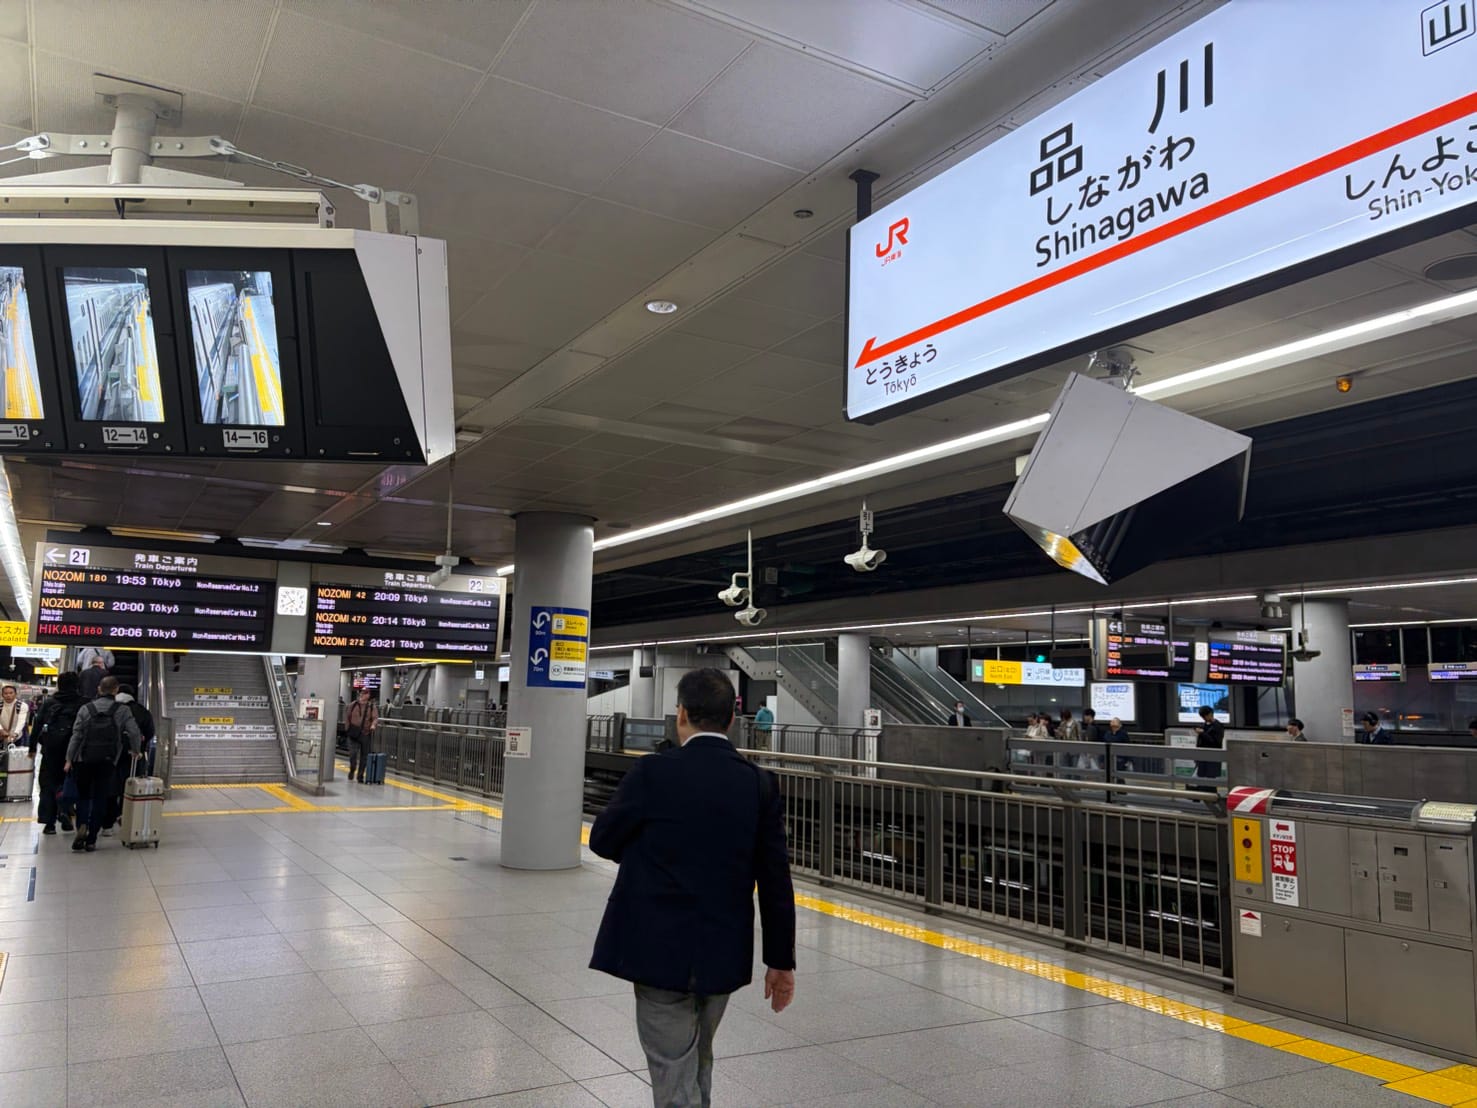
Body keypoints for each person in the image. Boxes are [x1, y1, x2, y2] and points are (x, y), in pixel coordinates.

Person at [589, 668, 796, 1108]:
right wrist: (780, 962)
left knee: (673, 1069)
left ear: (680, 713)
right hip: (722, 951)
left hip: (656, 948)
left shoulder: (652, 773)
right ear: (732, 719)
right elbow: (775, 879)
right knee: (697, 1058)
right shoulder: (758, 783)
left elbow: (603, 840)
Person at [65, 676, 142, 852]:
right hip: (108, 760)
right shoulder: (122, 710)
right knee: (101, 797)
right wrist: (136, 750)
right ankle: (92, 838)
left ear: (99, 689)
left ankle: (82, 825)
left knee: (83, 796)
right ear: (116, 690)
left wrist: (69, 758)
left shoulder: (86, 708)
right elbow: (134, 732)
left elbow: (76, 735)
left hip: (83, 759)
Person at [29, 672, 82, 835]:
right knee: (70, 784)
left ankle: (49, 823)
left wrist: (32, 748)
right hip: (74, 752)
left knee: (48, 785)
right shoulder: (83, 703)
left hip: (51, 750)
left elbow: (37, 725)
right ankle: (65, 810)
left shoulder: (49, 703)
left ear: (59, 684)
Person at [104, 684, 156, 833]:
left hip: (110, 754)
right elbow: (150, 732)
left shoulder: (108, 707)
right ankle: (124, 816)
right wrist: (140, 747)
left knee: (109, 787)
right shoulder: (141, 711)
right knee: (129, 786)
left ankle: (107, 824)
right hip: (133, 755)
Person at [344, 689, 378, 782]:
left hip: (365, 733)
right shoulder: (352, 705)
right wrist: (347, 728)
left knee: (364, 755)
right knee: (353, 754)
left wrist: (373, 725)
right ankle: (352, 769)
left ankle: (360, 776)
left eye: (366, 693)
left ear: (368, 695)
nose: (363, 695)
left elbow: (375, 718)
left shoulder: (371, 707)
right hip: (353, 733)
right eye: (362, 693)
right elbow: (347, 716)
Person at [1194, 704, 1225, 782]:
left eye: (1205, 716)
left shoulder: (1218, 726)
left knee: (1210, 781)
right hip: (1202, 757)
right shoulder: (1204, 725)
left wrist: (1203, 733)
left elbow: (1216, 743)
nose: (1204, 719)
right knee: (1201, 780)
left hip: (1212, 758)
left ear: (1210, 714)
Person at [0, 684, 29, 748]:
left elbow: (21, 721)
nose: (8, 695)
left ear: (15, 694)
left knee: (15, 756)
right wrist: (1, 730)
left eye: (11, 693)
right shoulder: (0, 705)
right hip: (1, 736)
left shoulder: (22, 705)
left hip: (16, 737)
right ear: (2, 695)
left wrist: (15, 733)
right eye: (5, 693)